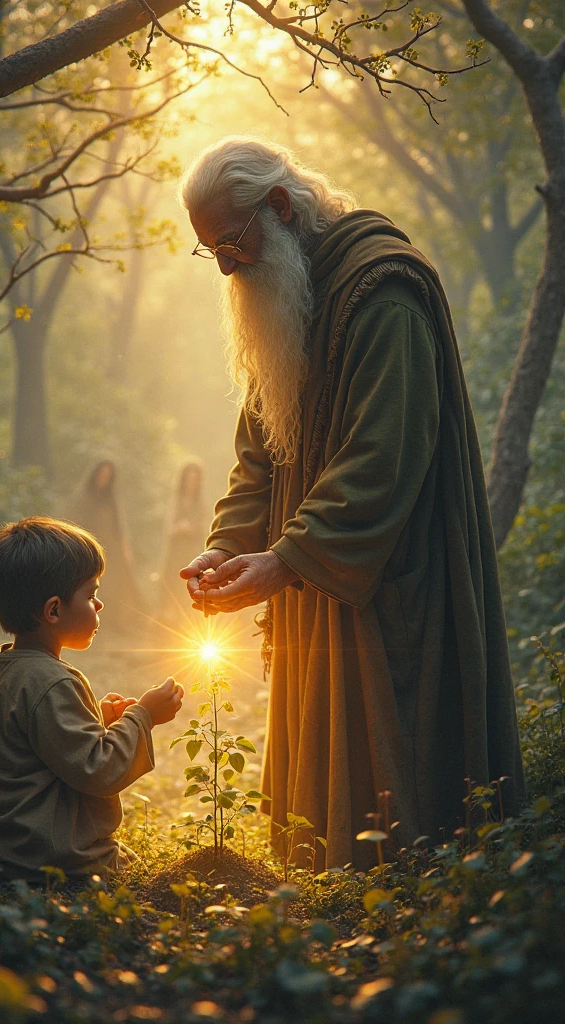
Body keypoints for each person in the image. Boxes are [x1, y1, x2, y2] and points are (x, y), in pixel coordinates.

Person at [178, 136, 526, 870]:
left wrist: (287, 558)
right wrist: (233, 540)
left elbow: (384, 456)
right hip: (311, 568)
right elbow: (263, 440)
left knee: (403, 782)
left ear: (280, 206)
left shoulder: (385, 292)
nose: (226, 265)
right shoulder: (287, 289)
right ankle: (326, 895)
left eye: (230, 243)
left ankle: (414, 915)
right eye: (209, 251)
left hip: (395, 574)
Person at [0, 516, 183, 879]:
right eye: (91, 595)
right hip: (44, 855)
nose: (99, 606)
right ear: (53, 610)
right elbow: (99, 770)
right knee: (136, 873)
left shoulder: (0, 667)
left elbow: (30, 748)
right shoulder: (51, 681)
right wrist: (143, 715)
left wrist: (100, 721)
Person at [64, 460, 145, 633]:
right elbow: (76, 524)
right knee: (95, 586)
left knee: (117, 585)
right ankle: (94, 622)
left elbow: (119, 526)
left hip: (112, 549)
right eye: (102, 474)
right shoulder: (84, 498)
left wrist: (125, 549)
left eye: (108, 476)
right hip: (91, 549)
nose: (104, 479)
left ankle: (116, 623)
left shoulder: (111, 499)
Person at [159, 459, 207, 627]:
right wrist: (179, 528)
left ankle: (187, 625)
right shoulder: (176, 501)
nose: (191, 483)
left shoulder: (201, 503)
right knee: (171, 585)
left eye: (195, 479)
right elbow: (169, 529)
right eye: (188, 479)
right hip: (175, 551)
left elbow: (205, 527)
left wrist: (192, 529)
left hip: (192, 552)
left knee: (190, 588)